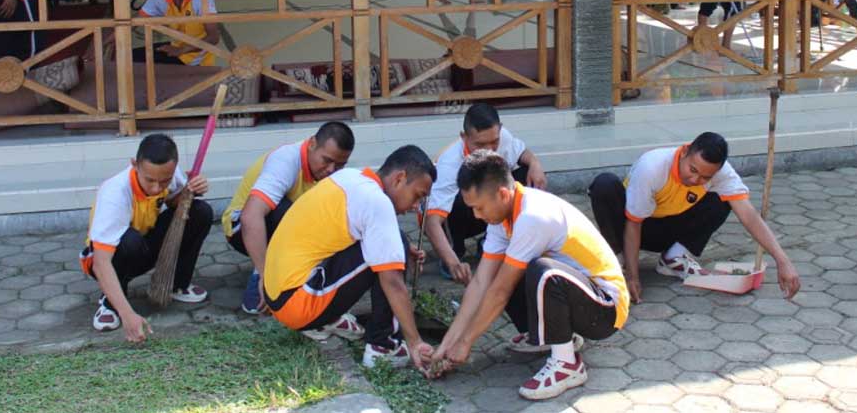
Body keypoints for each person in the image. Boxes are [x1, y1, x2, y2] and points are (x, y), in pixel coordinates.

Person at [428, 151, 628, 401]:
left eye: (479, 208)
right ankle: (550, 338)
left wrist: (466, 343)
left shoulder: (533, 216)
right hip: (578, 295)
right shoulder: (502, 216)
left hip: (606, 309)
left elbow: (500, 292)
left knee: (540, 271)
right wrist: (448, 344)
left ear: (502, 194)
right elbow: (481, 283)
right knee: (508, 269)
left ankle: (567, 364)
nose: (477, 216)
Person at [263, 145, 436, 369]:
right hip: (297, 303)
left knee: (393, 242)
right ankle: (384, 346)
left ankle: (324, 321)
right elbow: (392, 281)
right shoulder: (377, 202)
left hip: (279, 295)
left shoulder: (350, 177)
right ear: (400, 178)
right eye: (417, 196)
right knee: (391, 254)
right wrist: (415, 341)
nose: (415, 207)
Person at [588, 132, 801, 305]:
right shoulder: (652, 166)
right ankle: (617, 261)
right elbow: (634, 224)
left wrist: (783, 261)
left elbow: (749, 216)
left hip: (669, 227)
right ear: (685, 152)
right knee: (604, 184)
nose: (695, 179)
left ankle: (673, 258)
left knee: (726, 199)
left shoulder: (722, 174)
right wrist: (633, 277)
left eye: (705, 177)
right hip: (633, 226)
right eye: (692, 170)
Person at [79, 134, 212, 340]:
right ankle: (111, 303)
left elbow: (174, 202)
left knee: (199, 211)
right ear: (135, 165)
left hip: (145, 244)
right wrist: (128, 315)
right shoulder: (115, 193)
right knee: (128, 240)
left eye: (164, 181)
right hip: (109, 257)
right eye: (149, 180)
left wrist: (191, 190)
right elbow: (100, 262)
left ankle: (177, 284)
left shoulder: (168, 171)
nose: (156, 188)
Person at [221, 121, 355, 314]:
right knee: (286, 212)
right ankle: (262, 277)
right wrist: (267, 276)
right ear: (311, 144)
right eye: (326, 160)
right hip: (240, 229)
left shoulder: (331, 173)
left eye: (340, 165)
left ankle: (295, 278)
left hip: (278, 225)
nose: (331, 170)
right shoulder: (285, 161)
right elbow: (250, 217)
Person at [423, 103, 547, 285]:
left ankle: (495, 239)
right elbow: (432, 222)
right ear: (464, 137)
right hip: (458, 215)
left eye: (494, 142)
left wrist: (536, 164)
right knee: (458, 201)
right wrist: (453, 263)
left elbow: (521, 153)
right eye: (480, 144)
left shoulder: (501, 136)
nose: (489, 149)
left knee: (526, 176)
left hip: (487, 207)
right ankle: (454, 251)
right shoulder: (449, 164)